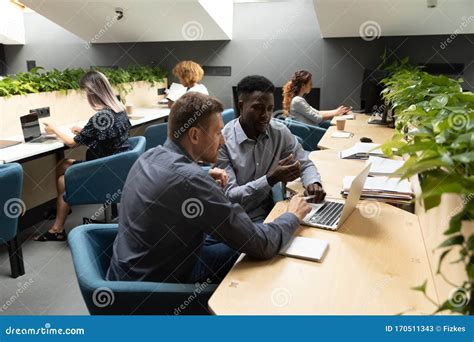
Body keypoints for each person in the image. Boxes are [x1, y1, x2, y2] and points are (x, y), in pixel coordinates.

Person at [106, 92, 310, 283]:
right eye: (218, 132)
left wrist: (203, 174)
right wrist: (292, 215)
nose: (223, 141)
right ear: (194, 135)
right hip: (156, 287)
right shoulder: (191, 182)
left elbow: (174, 181)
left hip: (126, 273)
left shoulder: (149, 156)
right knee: (259, 255)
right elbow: (261, 244)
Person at [34, 71, 131, 241]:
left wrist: (54, 129)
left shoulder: (100, 117)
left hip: (104, 170)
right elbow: (106, 137)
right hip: (117, 167)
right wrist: (85, 132)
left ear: (93, 93)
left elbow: (71, 143)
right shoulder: (119, 110)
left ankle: (57, 228)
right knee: (63, 164)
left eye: (86, 92)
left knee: (63, 180)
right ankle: (64, 205)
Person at [215, 75, 326, 222]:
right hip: (240, 218)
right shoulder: (222, 142)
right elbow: (230, 196)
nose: (265, 116)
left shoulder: (279, 131)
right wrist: (270, 179)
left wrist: (313, 183)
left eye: (270, 109)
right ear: (241, 106)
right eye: (258, 108)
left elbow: (305, 164)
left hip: (273, 209)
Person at [282, 70, 351, 126]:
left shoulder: (298, 99)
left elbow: (317, 112)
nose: (311, 86)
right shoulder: (297, 100)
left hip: (314, 131)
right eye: (310, 84)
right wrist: (336, 113)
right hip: (313, 134)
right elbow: (317, 118)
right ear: (303, 85)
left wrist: (337, 111)